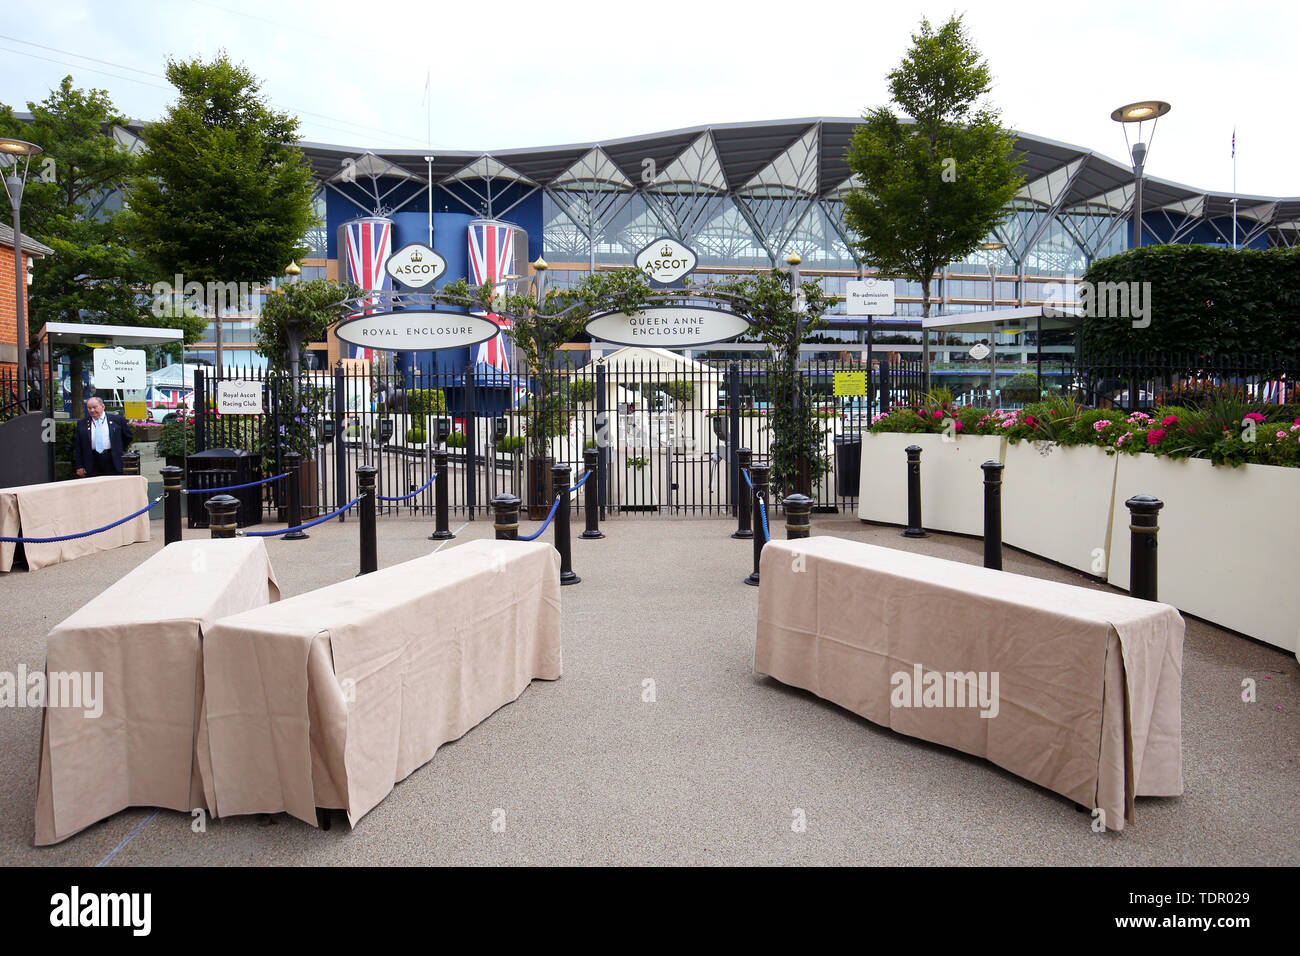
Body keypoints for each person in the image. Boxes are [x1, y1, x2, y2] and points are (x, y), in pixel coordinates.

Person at [73, 396, 134, 478]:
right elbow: (78, 447)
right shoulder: (82, 424)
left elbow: (128, 437)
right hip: (92, 462)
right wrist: (79, 466)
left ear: (102, 406)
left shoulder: (117, 420)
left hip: (112, 460)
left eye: (94, 407)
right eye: (89, 408)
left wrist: (118, 448)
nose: (92, 410)